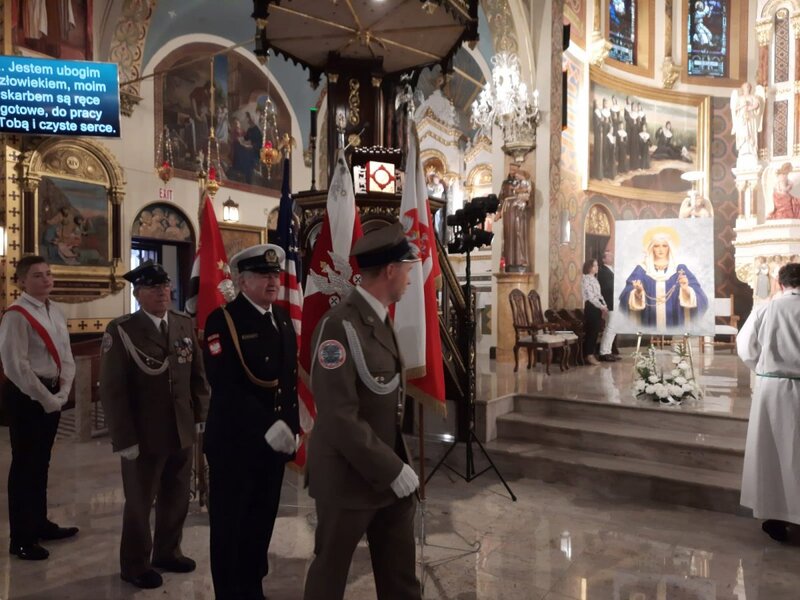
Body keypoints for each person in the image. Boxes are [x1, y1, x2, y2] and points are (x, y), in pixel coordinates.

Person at [304, 221, 422, 600]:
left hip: (389, 475)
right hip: (347, 479)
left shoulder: (381, 318)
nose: (409, 278)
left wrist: (395, 468)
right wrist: (391, 468)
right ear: (390, 270)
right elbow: (338, 416)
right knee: (329, 575)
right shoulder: (339, 326)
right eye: (407, 268)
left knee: (401, 578)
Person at [99, 262, 210, 590]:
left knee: (177, 496)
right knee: (139, 501)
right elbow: (112, 390)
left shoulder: (182, 324)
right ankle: (134, 565)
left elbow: (197, 376)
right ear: (138, 294)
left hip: (180, 428)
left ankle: (167, 551)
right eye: (153, 288)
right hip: (143, 434)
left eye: (165, 287)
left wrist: (201, 415)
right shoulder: (122, 330)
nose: (162, 292)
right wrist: (123, 438)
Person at [203, 244, 300, 600]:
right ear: (243, 282)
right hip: (235, 444)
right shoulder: (223, 320)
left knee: (261, 522)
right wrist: (267, 425)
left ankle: (252, 587)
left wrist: (292, 424)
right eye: (263, 275)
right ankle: (230, 593)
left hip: (273, 446)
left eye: (275, 275)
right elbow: (225, 385)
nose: (273, 281)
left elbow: (287, 382)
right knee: (231, 525)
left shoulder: (284, 320)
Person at [0, 255, 78, 561]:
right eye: (37, 275)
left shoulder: (54, 310)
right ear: (21, 281)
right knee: (24, 466)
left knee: (41, 462)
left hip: (52, 392)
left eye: (48, 274)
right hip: (25, 397)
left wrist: (64, 390)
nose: (46, 279)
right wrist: (48, 400)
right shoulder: (16, 316)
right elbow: (15, 366)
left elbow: (66, 354)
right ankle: (21, 538)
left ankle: (40, 523)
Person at [737, 262, 800, 542]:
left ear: (780, 282)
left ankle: (776, 517)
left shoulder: (766, 308)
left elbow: (746, 347)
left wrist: (764, 369)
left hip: (772, 389)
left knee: (772, 453)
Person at [618, 227, 708, 330]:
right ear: (652, 248)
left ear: (669, 247)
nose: (660, 250)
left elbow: (700, 296)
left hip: (675, 321)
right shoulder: (642, 269)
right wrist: (637, 292)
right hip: (649, 321)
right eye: (656, 246)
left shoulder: (680, 269)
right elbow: (626, 295)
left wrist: (686, 289)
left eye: (664, 246)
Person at [496, 169, 532, 272]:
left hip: (519, 209)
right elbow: (501, 198)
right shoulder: (505, 183)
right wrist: (499, 211)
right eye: (511, 169)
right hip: (508, 209)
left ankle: (520, 261)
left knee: (518, 233)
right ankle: (509, 263)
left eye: (515, 170)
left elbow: (528, 195)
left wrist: (524, 200)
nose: (513, 172)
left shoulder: (524, 182)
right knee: (508, 235)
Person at [581, 258, 607, 366]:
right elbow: (591, 297)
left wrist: (604, 305)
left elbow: (599, 295)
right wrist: (601, 306)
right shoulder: (586, 279)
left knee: (596, 331)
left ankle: (592, 353)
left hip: (597, 307)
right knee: (591, 331)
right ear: (589, 267)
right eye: (595, 265)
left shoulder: (594, 279)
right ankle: (589, 355)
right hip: (591, 307)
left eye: (597, 265)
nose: (597, 268)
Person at [730, 82, 765, 162]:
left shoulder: (753, 97)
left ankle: (752, 150)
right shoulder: (739, 98)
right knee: (743, 133)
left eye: (748, 87)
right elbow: (735, 109)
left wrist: (750, 108)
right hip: (741, 119)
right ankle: (743, 151)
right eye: (746, 87)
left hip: (751, 118)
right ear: (742, 88)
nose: (747, 88)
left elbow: (757, 105)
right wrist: (743, 106)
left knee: (750, 133)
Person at [597, 250, 621, 362]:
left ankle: (609, 351)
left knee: (613, 328)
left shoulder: (612, 270)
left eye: (612, 255)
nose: (612, 257)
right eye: (609, 256)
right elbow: (606, 288)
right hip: (609, 303)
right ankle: (604, 352)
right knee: (610, 328)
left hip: (615, 302)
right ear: (603, 259)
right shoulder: (603, 271)